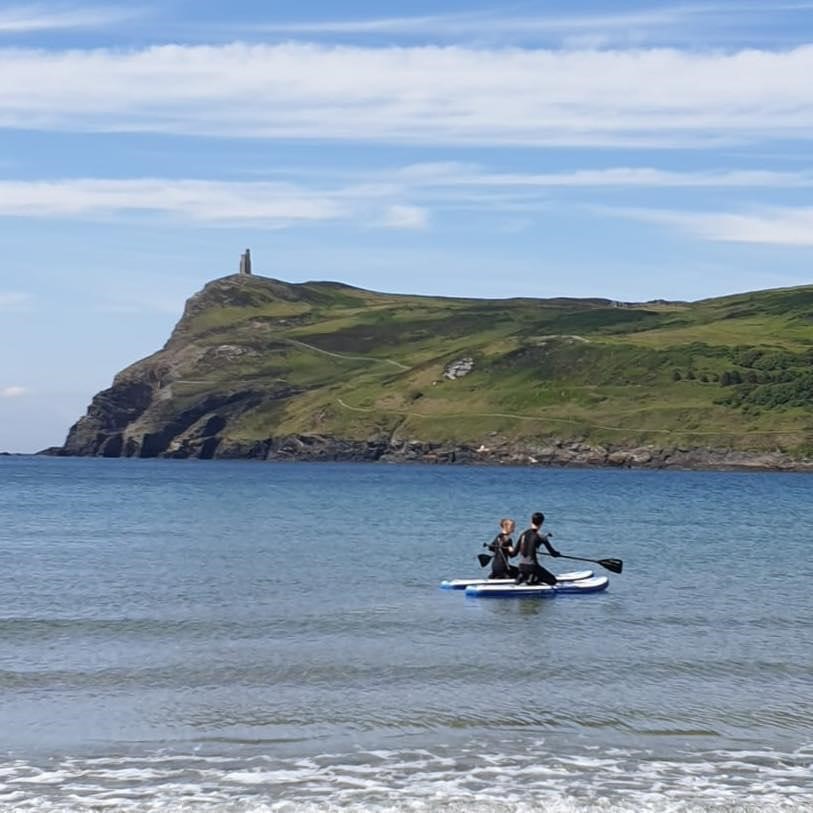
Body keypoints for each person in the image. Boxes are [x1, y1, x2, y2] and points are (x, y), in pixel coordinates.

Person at [515, 512, 561, 585]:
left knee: (532, 571)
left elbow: (515, 552)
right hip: (532, 567)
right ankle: (533, 580)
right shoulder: (541, 536)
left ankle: (525, 578)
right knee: (553, 581)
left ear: (531, 521)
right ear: (542, 523)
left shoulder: (523, 534)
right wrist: (558, 554)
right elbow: (553, 553)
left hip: (521, 567)